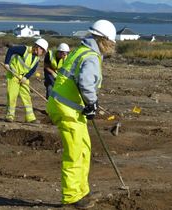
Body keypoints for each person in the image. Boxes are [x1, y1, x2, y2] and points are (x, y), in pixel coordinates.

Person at [46, 20, 117, 209]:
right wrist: (92, 104)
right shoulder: (91, 56)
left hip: (69, 107)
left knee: (84, 148)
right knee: (75, 153)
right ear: (105, 40)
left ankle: (82, 190)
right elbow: (85, 83)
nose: (112, 47)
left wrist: (88, 105)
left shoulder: (81, 50)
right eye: (111, 43)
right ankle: (71, 197)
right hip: (66, 108)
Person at [3, 38, 48, 123]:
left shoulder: (37, 58)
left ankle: (30, 118)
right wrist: (6, 63)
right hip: (13, 75)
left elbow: (32, 70)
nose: (42, 53)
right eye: (42, 50)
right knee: (12, 95)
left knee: (27, 97)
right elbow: (11, 50)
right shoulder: (24, 49)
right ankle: (9, 116)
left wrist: (25, 78)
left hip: (23, 78)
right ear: (37, 47)